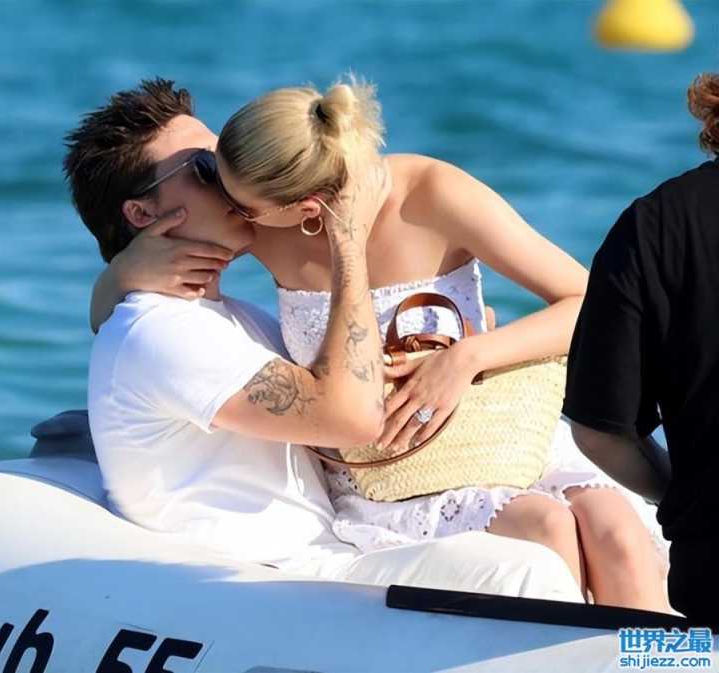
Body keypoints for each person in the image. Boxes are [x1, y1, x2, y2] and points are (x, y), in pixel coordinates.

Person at [93, 77, 669, 611]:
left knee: (617, 530)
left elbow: (594, 307)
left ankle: (667, 666)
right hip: (392, 473)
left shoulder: (430, 192)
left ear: (305, 204)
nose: (225, 196)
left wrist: (467, 357)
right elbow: (131, 332)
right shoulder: (266, 230)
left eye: (218, 166)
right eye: (207, 171)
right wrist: (119, 274)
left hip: (499, 432)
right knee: (547, 528)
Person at [564, 73, 719, 627]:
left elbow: (600, 430)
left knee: (658, 655)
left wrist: (687, 495)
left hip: (713, 582)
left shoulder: (654, 225)